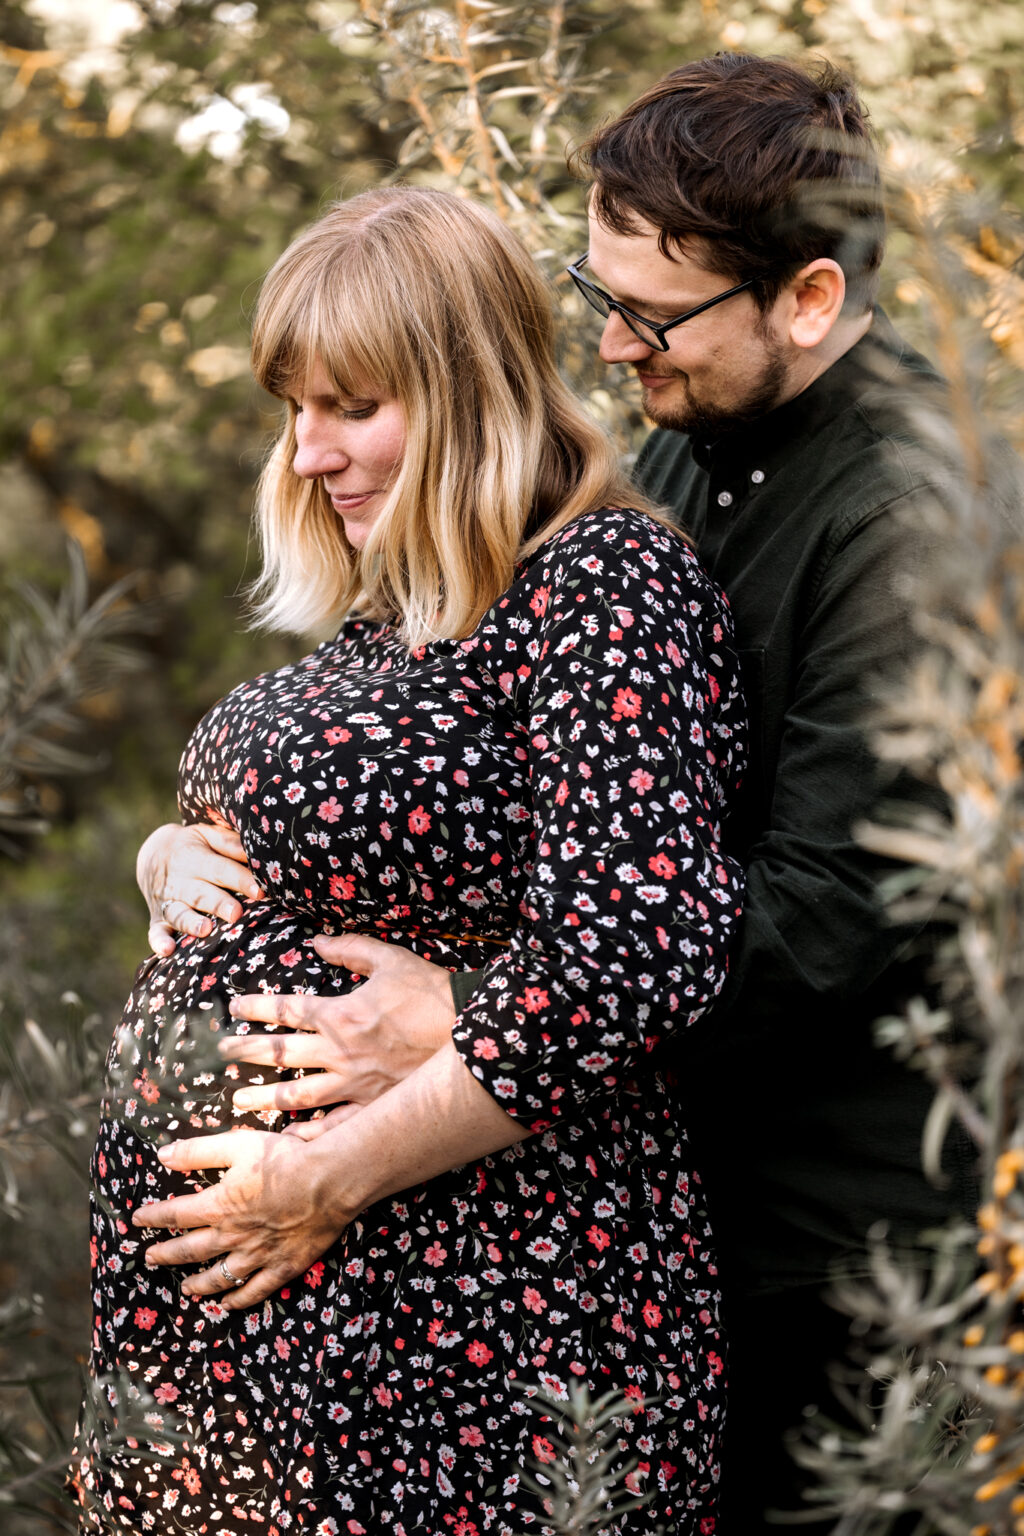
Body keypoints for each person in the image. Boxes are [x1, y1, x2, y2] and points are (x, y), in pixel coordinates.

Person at [136, 52, 1021, 1531]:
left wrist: (472, 1010)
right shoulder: (680, 455)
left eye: (653, 314)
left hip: (838, 1256)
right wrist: (188, 853)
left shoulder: (916, 518)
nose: (610, 347)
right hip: (637, 1193)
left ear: (806, 298)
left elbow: (829, 917)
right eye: (594, 290)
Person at [70, 185, 748, 1535]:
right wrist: (167, 863)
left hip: (467, 1314)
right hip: (280, 1322)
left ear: (472, 390)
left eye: (353, 406)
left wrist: (323, 1176)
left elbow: (634, 956)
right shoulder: (407, 606)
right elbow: (316, 841)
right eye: (295, 409)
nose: (311, 451)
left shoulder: (604, 585)